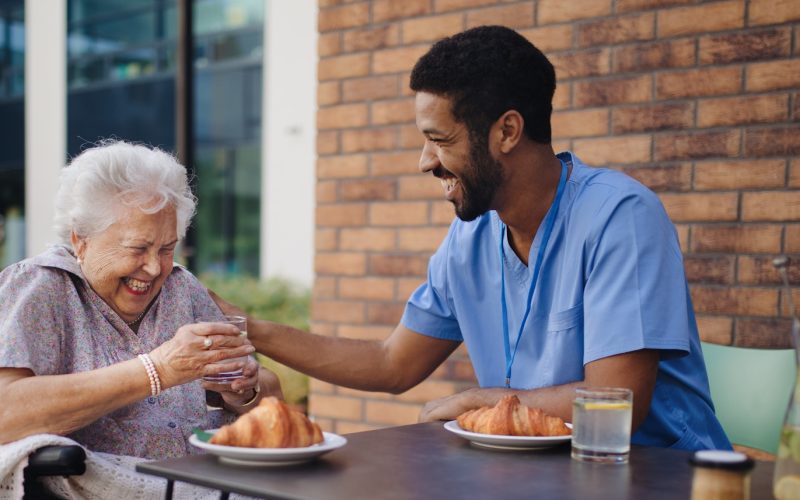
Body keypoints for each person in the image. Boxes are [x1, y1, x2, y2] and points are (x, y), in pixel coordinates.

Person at [212, 25, 730, 451]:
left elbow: (618, 402)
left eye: (440, 140)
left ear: (506, 131)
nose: (425, 161)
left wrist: (484, 402)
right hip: (537, 480)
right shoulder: (472, 239)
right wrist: (243, 326)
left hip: (661, 478)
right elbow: (392, 363)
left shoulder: (621, 216)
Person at [0, 140, 282, 459]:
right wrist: (158, 369)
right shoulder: (42, 287)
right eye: (137, 248)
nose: (154, 267)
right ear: (81, 240)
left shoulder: (181, 287)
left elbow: (270, 391)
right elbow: (5, 412)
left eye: (166, 248)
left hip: (209, 483)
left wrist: (244, 391)